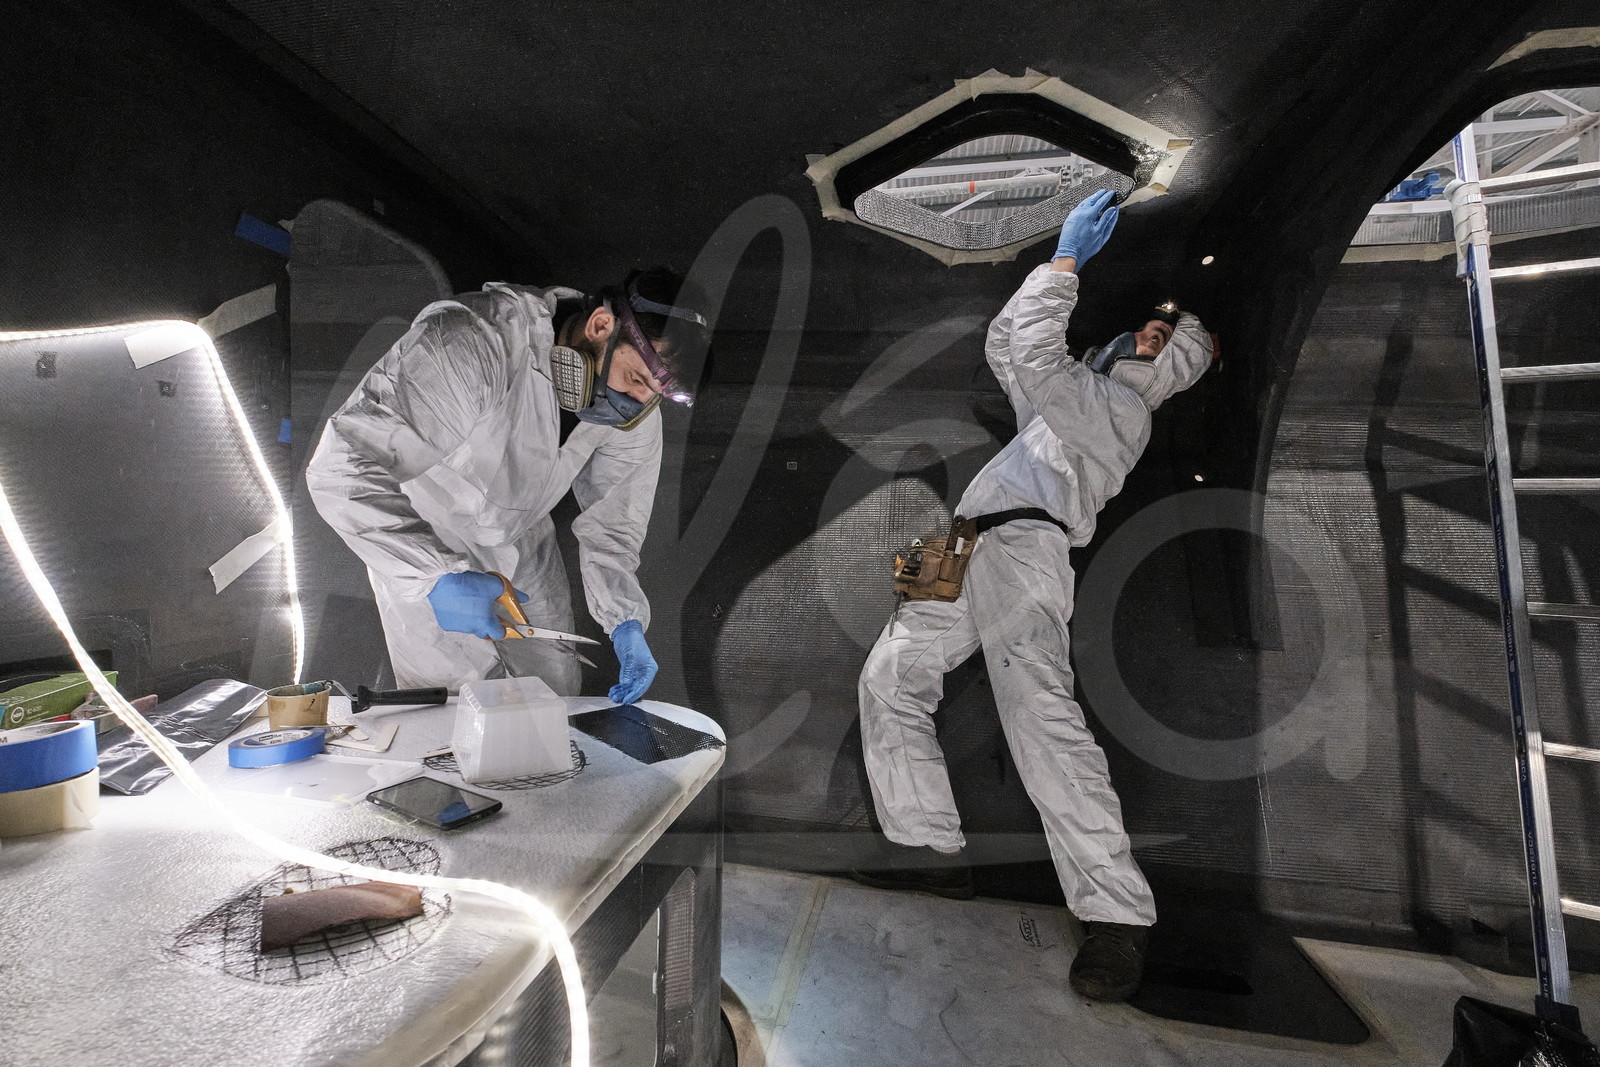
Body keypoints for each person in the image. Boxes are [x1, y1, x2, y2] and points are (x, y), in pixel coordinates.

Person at [853, 188, 1213, 1002]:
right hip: (962, 541)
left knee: (1041, 720)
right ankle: (929, 851)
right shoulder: (1066, 405)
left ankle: (1118, 915)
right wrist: (1052, 276)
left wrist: (1067, 260)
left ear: (1167, 371)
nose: (1146, 335)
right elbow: (1007, 344)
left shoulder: (1121, 410)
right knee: (889, 679)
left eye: (1163, 341)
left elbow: (1039, 361)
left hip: (1024, 547)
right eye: (1149, 328)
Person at [306, 267, 709, 699]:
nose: (634, 407)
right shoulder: (476, 340)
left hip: (524, 544)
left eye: (655, 396)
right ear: (600, 326)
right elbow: (342, 467)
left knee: (554, 696)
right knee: (452, 709)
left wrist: (624, 619)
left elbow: (613, 528)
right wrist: (435, 577)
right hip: (419, 539)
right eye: (636, 380)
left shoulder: (636, 412)